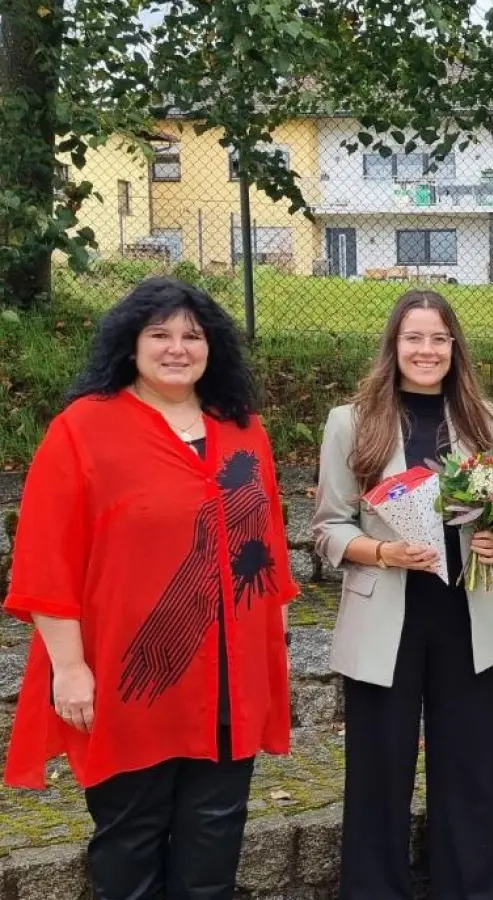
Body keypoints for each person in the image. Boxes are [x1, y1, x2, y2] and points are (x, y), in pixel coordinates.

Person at [4, 277, 295, 900]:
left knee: (214, 845)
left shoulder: (243, 429)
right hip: (131, 676)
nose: (177, 348)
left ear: (212, 347)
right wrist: (69, 669)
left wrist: (273, 650)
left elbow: (266, 549)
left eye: (193, 335)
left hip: (229, 675)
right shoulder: (83, 429)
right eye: (159, 334)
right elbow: (45, 562)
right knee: (129, 843)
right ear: (130, 344)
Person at [311, 290, 493, 899]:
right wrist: (381, 552)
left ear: (455, 347)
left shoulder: (483, 421)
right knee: (379, 773)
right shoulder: (352, 422)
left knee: (470, 771)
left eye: (438, 339)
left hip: (463, 613)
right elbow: (328, 528)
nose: (427, 350)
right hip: (387, 616)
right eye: (414, 338)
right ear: (394, 345)